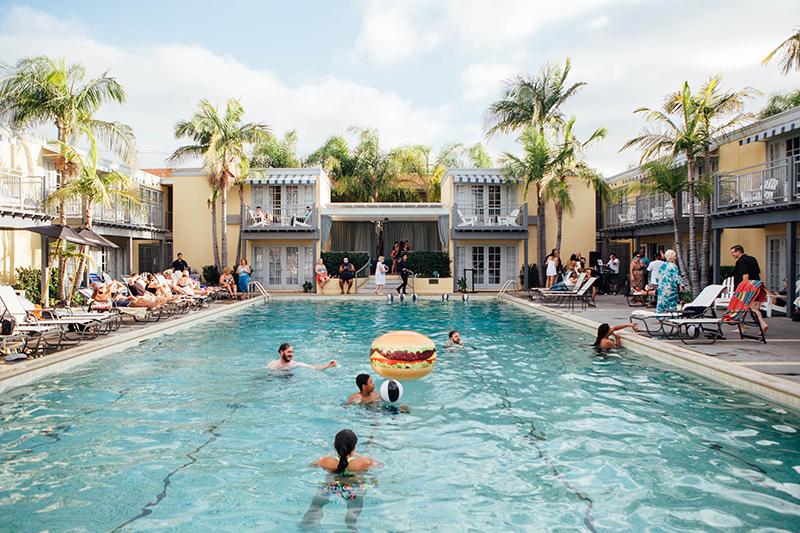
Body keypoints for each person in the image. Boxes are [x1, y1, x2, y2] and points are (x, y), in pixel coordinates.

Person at [302, 429, 382, 529]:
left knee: (315, 506)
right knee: (352, 512)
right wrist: (361, 456)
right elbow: (379, 465)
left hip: (331, 486)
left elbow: (312, 465)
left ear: (334, 444)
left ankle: (305, 526)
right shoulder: (362, 463)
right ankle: (351, 528)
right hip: (353, 489)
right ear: (354, 447)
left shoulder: (326, 461)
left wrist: (324, 457)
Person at [731, 244, 768, 332]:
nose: (732, 254)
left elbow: (745, 275)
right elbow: (757, 273)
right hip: (755, 286)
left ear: (738, 251)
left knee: (742, 308)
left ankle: (762, 324)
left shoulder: (741, 261)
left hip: (746, 289)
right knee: (752, 308)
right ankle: (742, 328)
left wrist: (744, 289)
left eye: (733, 252)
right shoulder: (752, 259)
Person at [267, 343, 336, 371]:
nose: (291, 354)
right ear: (281, 352)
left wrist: (327, 365)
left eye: (292, 352)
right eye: (289, 352)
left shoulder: (294, 364)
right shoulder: (272, 364)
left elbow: (314, 367)